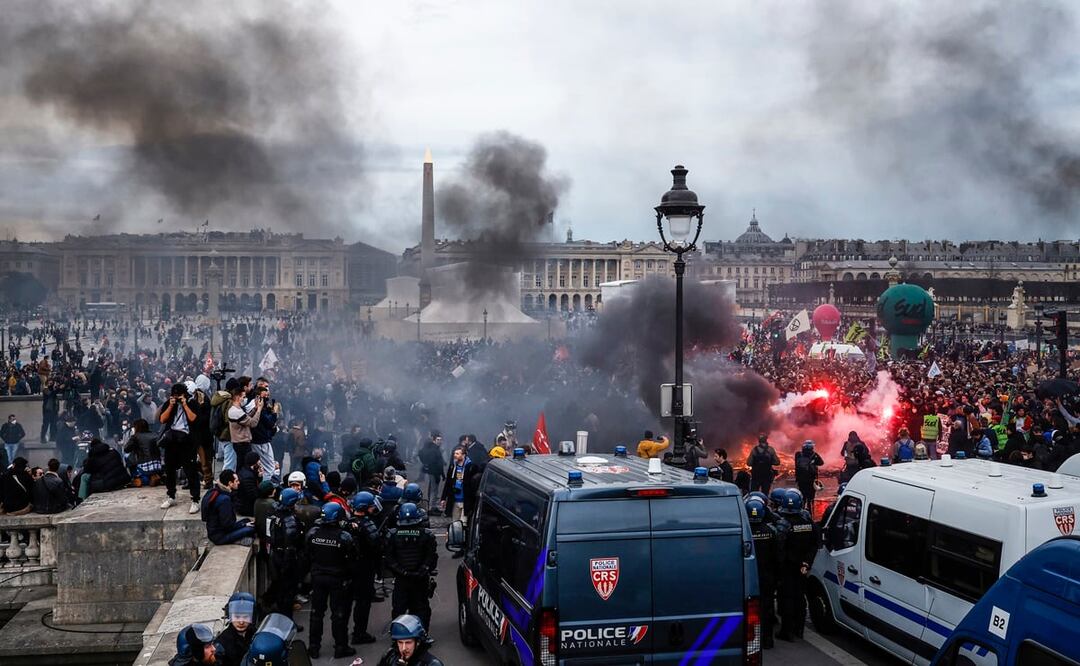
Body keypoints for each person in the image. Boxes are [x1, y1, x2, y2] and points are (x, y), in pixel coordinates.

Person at [305, 502, 356, 660]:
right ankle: (340, 647)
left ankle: (313, 647)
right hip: (337, 579)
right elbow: (353, 558)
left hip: (318, 577)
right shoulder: (344, 536)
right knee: (338, 615)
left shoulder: (313, 533)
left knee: (316, 614)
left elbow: (308, 554)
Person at [384, 502, 438, 631]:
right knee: (421, 607)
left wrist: (402, 572)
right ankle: (422, 633)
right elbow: (431, 556)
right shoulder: (427, 534)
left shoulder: (392, 534)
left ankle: (398, 634)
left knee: (399, 608)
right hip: (420, 578)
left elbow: (389, 558)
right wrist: (423, 569)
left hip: (402, 578)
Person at [775, 488, 819, 642]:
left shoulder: (783, 525)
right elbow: (815, 543)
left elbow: (778, 549)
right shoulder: (808, 522)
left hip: (787, 567)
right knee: (800, 597)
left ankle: (787, 632)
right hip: (803, 566)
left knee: (787, 598)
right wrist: (807, 562)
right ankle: (799, 629)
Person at [159, 383, 201, 514]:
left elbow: (193, 419)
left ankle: (195, 499)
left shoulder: (192, 403)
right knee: (169, 469)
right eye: (174, 396)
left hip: (187, 442)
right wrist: (171, 405)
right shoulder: (169, 403)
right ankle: (171, 495)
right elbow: (162, 419)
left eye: (179, 396)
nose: (176, 398)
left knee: (191, 471)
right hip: (172, 441)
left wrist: (184, 404)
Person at [347, 490, 383, 645]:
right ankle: (359, 633)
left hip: (348, 568)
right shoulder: (367, 524)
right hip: (364, 568)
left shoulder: (348, 523)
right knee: (363, 602)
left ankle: (343, 635)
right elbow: (377, 546)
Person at [746, 496, 780, 649]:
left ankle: (752, 640)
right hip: (767, 576)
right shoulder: (771, 531)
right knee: (766, 608)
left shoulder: (744, 532)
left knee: (750, 610)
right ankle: (767, 640)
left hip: (749, 577)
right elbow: (778, 556)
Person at [267, 488, 304, 619]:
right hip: (285, 558)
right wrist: (288, 565)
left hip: (273, 553)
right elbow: (290, 545)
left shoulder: (272, 512)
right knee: (288, 592)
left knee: (279, 588)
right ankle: (287, 622)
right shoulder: (289, 520)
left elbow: (268, 535)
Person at [201, 470, 256, 546]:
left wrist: (245, 523)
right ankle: (237, 540)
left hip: (216, 531)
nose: (239, 483)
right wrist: (244, 525)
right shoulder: (224, 500)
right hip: (220, 536)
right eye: (236, 481)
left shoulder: (215, 490)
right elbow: (228, 526)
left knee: (247, 520)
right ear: (230, 483)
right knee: (252, 528)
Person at [376, 614, 444, 666]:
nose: (403, 648)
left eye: (408, 642)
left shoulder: (432, 664)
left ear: (418, 642)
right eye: (400, 642)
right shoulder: (390, 656)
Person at [216, 592, 256, 666]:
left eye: (245, 617)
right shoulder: (223, 641)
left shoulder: (256, 635)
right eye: (237, 617)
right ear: (230, 616)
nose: (241, 622)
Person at [125, 418, 163, 486]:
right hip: (158, 464)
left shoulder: (135, 436)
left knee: (127, 456)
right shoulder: (155, 434)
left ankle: (137, 478)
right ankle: (155, 476)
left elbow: (126, 449)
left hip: (145, 465)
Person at [793, 440, 824, 518]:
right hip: (811, 480)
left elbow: (796, 465)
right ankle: (811, 514)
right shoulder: (814, 455)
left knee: (802, 497)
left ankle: (801, 513)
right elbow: (821, 463)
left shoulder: (798, 454)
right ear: (812, 447)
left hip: (801, 480)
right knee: (811, 498)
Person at [439, 446, 470, 523]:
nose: (455, 455)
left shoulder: (470, 466)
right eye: (454, 453)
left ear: (463, 455)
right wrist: (443, 498)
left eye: (457, 453)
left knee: (463, 524)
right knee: (455, 523)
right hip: (455, 499)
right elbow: (448, 482)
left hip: (465, 500)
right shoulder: (453, 466)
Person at [417, 431, 444, 514]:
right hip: (434, 472)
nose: (440, 441)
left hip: (433, 471)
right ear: (434, 440)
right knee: (434, 489)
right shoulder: (434, 449)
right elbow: (436, 462)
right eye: (438, 440)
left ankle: (432, 505)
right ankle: (432, 507)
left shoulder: (434, 448)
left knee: (432, 488)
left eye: (441, 440)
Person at [235, 451, 262, 517]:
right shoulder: (248, 477)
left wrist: (259, 477)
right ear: (254, 463)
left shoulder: (246, 470)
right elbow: (253, 495)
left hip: (245, 505)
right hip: (247, 509)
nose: (260, 463)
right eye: (258, 460)